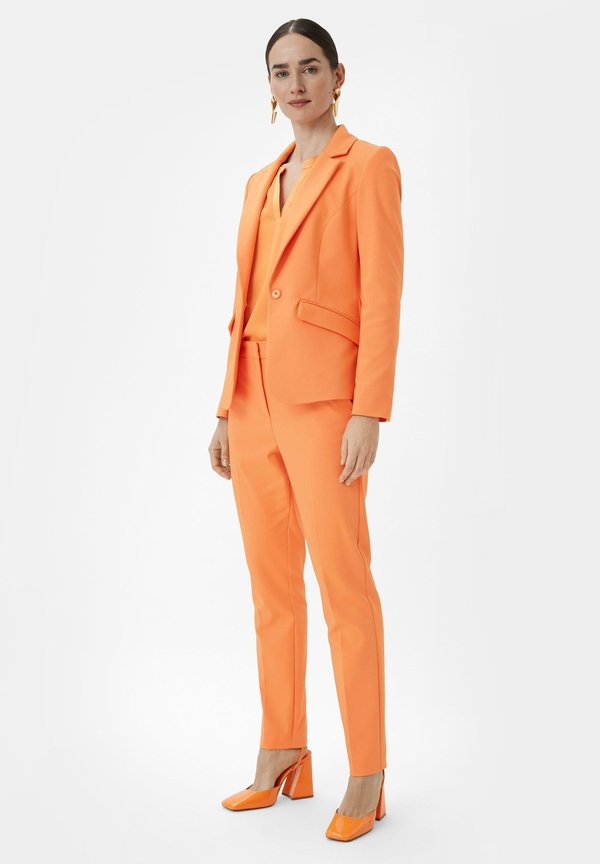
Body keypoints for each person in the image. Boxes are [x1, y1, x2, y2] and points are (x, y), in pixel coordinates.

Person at [208, 18, 404, 842]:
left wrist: (368, 409)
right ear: (269, 87)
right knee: (271, 592)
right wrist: (225, 407)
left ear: (338, 77)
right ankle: (282, 747)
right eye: (281, 71)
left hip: (326, 405)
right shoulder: (261, 182)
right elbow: (245, 298)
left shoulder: (369, 166)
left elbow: (383, 294)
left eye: (310, 68)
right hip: (252, 400)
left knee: (343, 585)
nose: (295, 84)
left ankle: (368, 771)